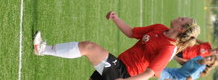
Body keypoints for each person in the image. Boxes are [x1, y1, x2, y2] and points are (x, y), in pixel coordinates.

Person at [33, 12, 200, 80]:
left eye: (182, 19)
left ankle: (42, 49)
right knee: (88, 47)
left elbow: (149, 74)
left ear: (181, 29)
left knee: (89, 47)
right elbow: (132, 32)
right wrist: (116, 18)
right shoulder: (159, 28)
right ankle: (43, 49)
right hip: (119, 64)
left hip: (124, 74)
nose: (179, 17)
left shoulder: (168, 49)